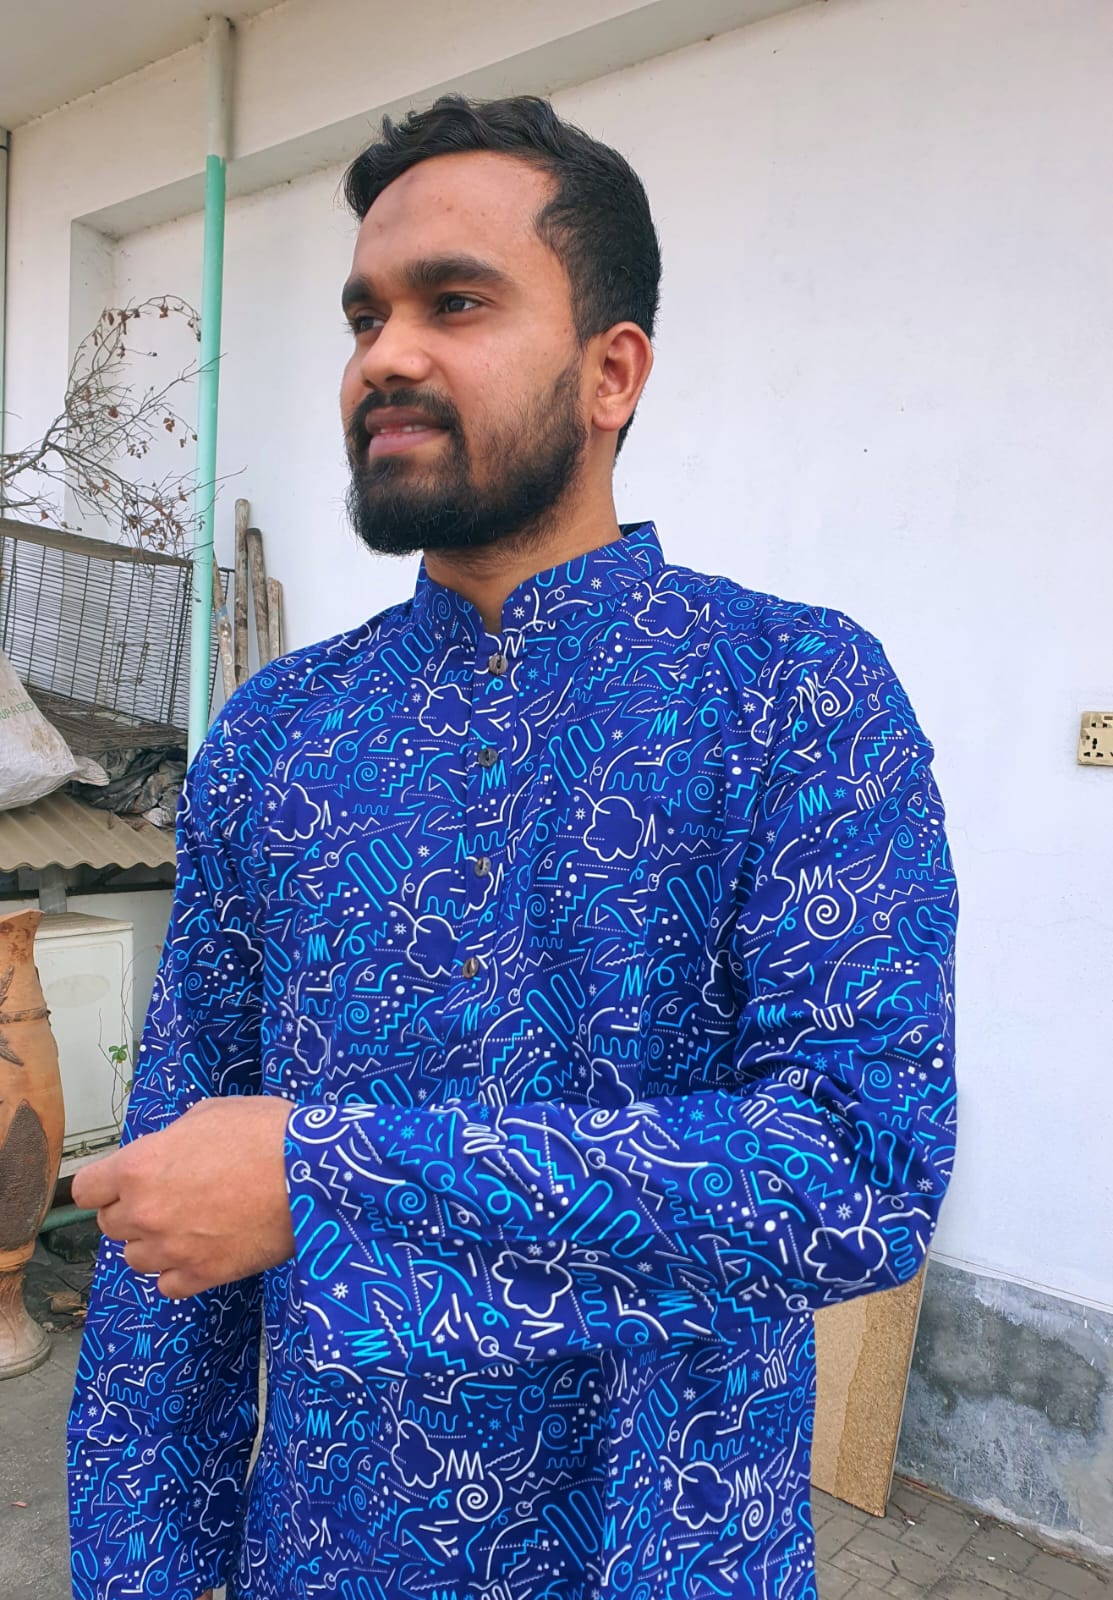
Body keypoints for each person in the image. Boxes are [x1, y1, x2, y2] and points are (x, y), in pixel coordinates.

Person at [68, 95, 957, 1600]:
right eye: (366, 316)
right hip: (330, 1552)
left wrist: (325, 1179)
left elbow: (856, 1176)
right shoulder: (279, 736)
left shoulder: (791, 694)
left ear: (613, 372)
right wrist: (140, 1567)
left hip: (667, 1547)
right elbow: (175, 1206)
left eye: (455, 303)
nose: (385, 355)